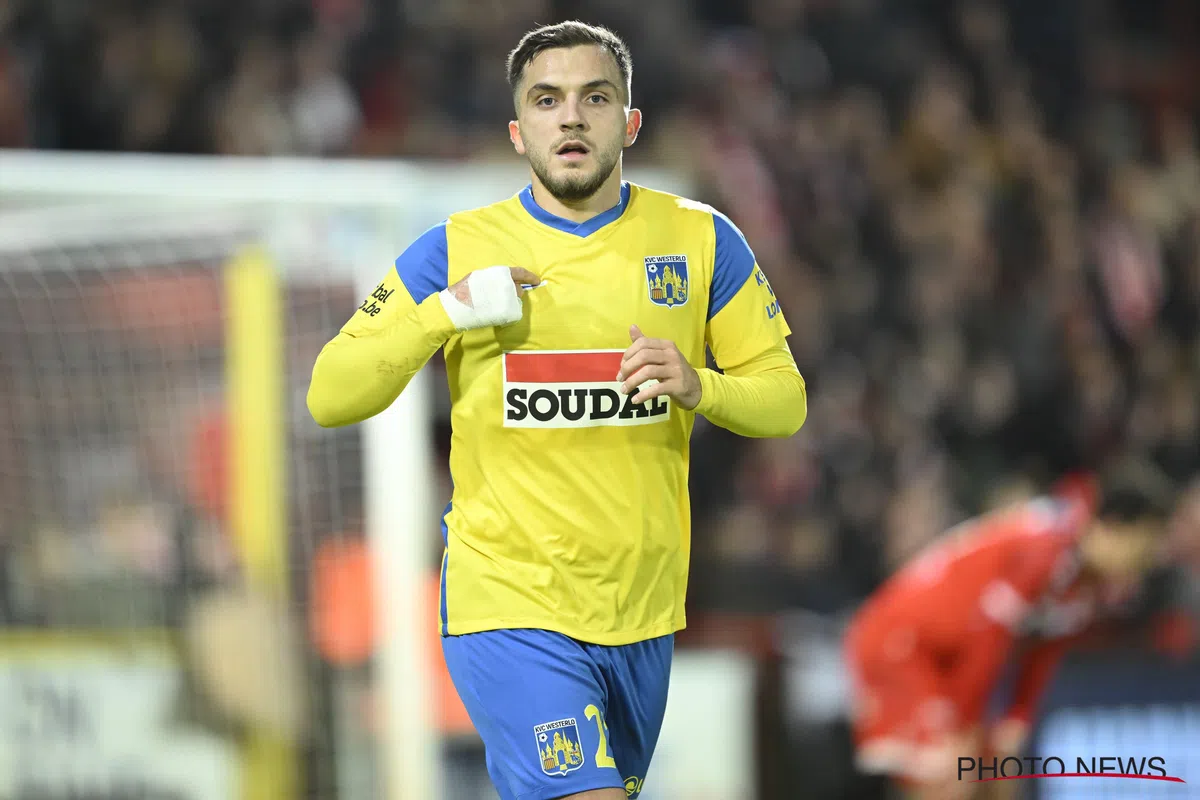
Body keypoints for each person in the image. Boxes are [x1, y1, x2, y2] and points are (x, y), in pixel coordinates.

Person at [306, 20, 807, 800]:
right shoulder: (456, 248)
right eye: (547, 100)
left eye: (594, 98)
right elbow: (331, 392)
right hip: (510, 605)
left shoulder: (703, 240)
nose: (570, 116)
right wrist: (448, 311)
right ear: (518, 132)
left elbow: (785, 402)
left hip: (642, 614)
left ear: (629, 123)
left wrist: (698, 384)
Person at [843, 462, 1175, 800]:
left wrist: (1016, 718)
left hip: (950, 659)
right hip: (903, 644)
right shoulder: (1045, 546)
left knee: (996, 776)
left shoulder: (1084, 579)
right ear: (1114, 527)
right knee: (946, 776)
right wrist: (964, 726)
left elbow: (1045, 647)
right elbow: (987, 637)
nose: (1143, 564)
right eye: (1142, 548)